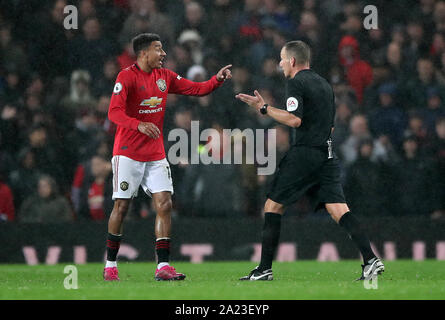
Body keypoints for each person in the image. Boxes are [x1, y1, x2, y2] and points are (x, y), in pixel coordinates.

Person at [235, 40, 384, 281]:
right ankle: (370, 259)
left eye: (282, 59)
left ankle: (264, 269)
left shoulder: (296, 82)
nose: (280, 63)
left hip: (305, 153)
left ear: (292, 61)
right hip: (326, 153)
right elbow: (331, 126)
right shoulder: (324, 84)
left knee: (272, 207)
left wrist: (264, 108)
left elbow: (295, 120)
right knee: (339, 210)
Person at [104, 33, 232, 281]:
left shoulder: (165, 77)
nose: (163, 54)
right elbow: (114, 112)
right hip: (128, 153)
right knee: (122, 207)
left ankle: (163, 266)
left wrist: (216, 80)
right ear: (143, 53)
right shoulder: (126, 76)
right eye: (158, 49)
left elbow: (196, 89)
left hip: (155, 153)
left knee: (164, 203)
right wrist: (138, 125)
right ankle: (110, 264)